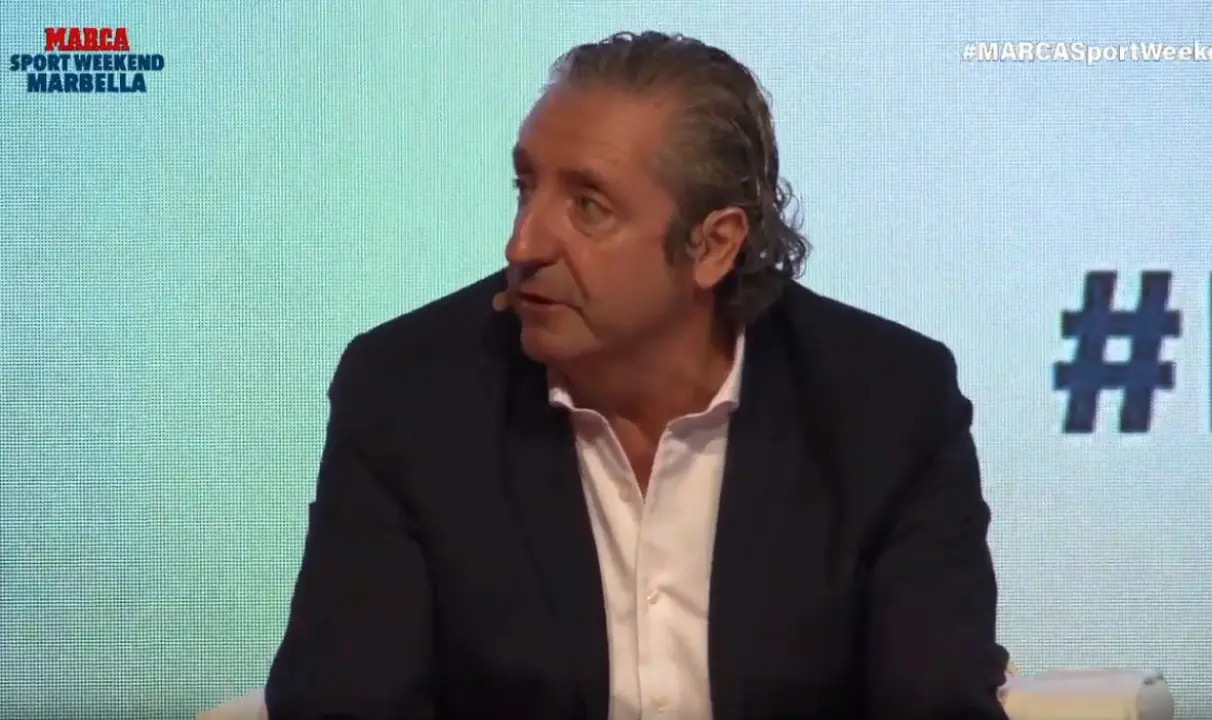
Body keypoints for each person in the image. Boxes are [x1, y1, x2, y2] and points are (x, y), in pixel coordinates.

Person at [265, 30, 1010, 720]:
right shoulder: (410, 395)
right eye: (526, 187)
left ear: (713, 245)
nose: (523, 243)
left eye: (588, 206)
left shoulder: (887, 406)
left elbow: (936, 703)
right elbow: (342, 703)